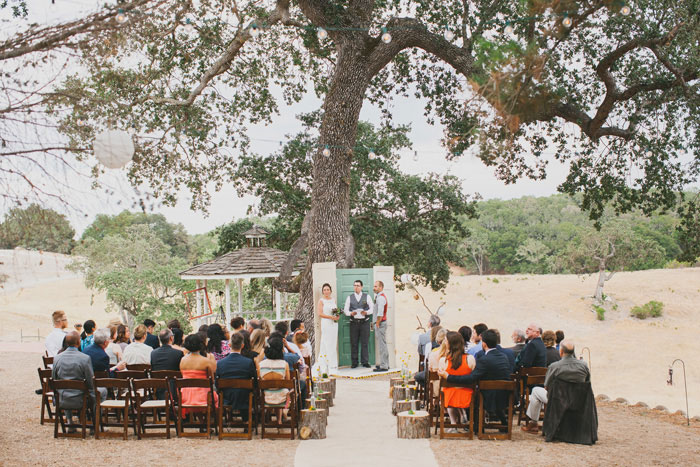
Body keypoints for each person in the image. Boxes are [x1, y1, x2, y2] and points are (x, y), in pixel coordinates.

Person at [439, 329, 512, 427]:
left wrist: (448, 377)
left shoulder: (484, 360)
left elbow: (471, 378)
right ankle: (503, 422)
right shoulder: (504, 357)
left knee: (476, 393)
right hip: (506, 395)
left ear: (484, 344)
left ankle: (476, 425)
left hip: (489, 396)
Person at [522, 340, 590, 434]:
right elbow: (587, 383)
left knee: (535, 391)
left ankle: (533, 423)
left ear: (561, 352)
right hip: (577, 399)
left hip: (558, 400)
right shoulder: (584, 366)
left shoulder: (555, 366)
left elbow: (546, 386)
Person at [52, 331, 97, 429]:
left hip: (62, 398)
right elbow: (90, 381)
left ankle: (70, 421)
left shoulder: (57, 358)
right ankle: (95, 423)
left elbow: (54, 379)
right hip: (80, 399)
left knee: (65, 386)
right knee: (98, 393)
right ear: (78, 342)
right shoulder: (85, 358)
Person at [216, 332, 256, 418]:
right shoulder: (248, 362)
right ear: (242, 345)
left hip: (226, 398)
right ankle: (246, 420)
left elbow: (217, 384)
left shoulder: (220, 363)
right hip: (245, 398)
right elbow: (254, 382)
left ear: (229, 345)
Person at [440, 332, 474, 431]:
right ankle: (462, 411)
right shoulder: (470, 359)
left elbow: (442, 380)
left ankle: (453, 423)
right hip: (467, 395)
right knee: (455, 390)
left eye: (446, 341)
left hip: (449, 397)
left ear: (449, 344)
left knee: (447, 389)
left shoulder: (444, 361)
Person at [179, 333, 218, 416]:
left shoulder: (183, 360)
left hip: (186, 396)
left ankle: (201, 421)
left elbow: (183, 376)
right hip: (203, 396)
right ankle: (206, 421)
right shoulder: (206, 361)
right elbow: (211, 380)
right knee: (216, 396)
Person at [258, 336, 290, 421]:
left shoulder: (261, 364)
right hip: (282, 397)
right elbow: (288, 381)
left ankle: (276, 419)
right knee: (287, 390)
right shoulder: (284, 364)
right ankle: (283, 414)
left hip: (266, 397)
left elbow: (260, 380)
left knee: (273, 389)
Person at [344, 279, 374, 368]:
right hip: (354, 323)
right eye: (354, 285)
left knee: (365, 342)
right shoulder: (349, 297)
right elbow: (346, 310)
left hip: (364, 323)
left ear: (361, 287)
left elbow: (372, 309)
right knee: (354, 343)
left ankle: (365, 362)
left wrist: (366, 312)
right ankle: (354, 362)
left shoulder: (367, 296)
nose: (356, 287)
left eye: (358, 285)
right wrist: (350, 313)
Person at [317, 283, 340, 372]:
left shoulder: (333, 300)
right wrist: (331, 317)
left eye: (328, 289)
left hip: (334, 324)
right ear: (323, 291)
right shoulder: (321, 301)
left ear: (330, 291)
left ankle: (333, 364)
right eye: (324, 290)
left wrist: (337, 316)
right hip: (326, 323)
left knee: (333, 342)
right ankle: (325, 364)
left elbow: (335, 311)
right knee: (326, 342)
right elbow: (320, 314)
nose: (326, 291)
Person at [372, 280, 390, 372]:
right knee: (383, 343)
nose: (374, 288)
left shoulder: (381, 298)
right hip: (380, 322)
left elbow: (380, 312)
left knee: (382, 345)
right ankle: (386, 364)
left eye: (376, 286)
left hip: (381, 323)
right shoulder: (378, 297)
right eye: (374, 286)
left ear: (381, 287)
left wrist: (378, 322)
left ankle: (384, 366)